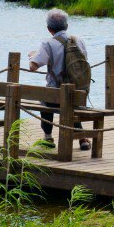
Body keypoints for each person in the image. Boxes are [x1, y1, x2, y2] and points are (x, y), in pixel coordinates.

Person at [27, 8, 90, 151]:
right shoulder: (78, 41)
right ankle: (82, 138)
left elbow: (33, 66)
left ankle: (48, 137)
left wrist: (33, 55)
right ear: (66, 26)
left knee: (45, 97)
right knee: (69, 103)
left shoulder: (48, 43)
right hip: (80, 94)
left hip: (56, 97)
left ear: (49, 29)